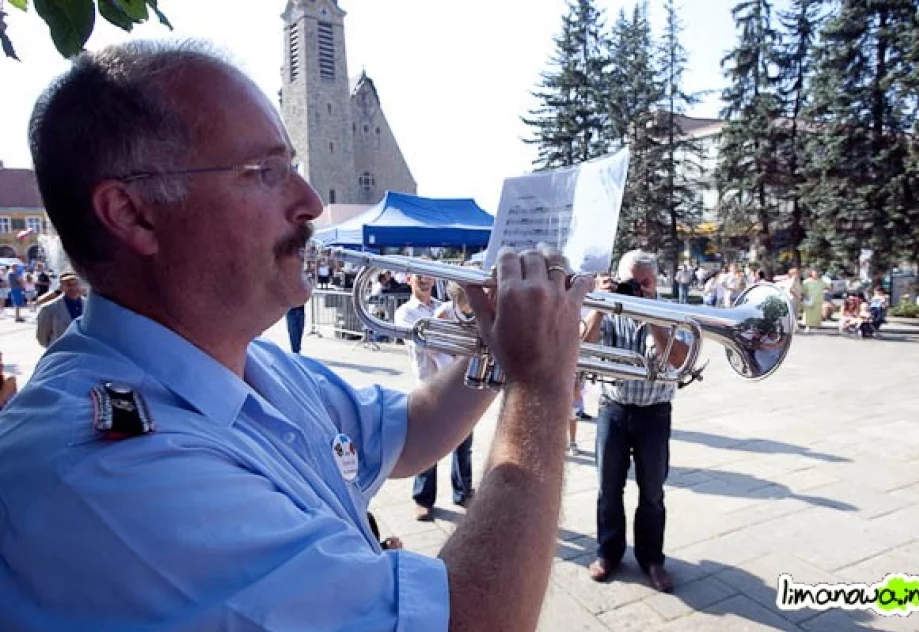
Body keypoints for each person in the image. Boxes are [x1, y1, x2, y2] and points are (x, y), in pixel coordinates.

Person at [0, 41, 593, 631]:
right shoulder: (104, 470)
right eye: (265, 172)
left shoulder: (252, 361)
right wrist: (539, 386)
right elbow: (473, 623)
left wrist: (494, 348)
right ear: (133, 214)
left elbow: (409, 434)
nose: (310, 202)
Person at [582, 250, 689, 593]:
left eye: (646, 282)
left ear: (657, 282)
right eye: (633, 281)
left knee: (653, 492)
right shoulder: (609, 304)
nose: (639, 289)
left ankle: (651, 559)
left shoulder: (671, 311)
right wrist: (599, 303)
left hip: (654, 413)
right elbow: (582, 349)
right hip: (613, 409)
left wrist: (649, 314)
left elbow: (677, 359)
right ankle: (608, 553)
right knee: (607, 489)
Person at [395, 271, 475, 520]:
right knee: (428, 446)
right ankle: (423, 498)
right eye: (419, 275)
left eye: (429, 276)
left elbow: (466, 338)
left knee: (463, 444)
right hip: (428, 386)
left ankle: (463, 492)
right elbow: (424, 344)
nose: (425, 280)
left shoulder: (446, 307)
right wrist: (440, 324)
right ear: (409, 279)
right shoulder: (405, 312)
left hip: (456, 384)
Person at [35, 271, 86, 348]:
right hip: (61, 351)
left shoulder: (89, 307)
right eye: (68, 285)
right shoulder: (49, 309)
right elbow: (42, 337)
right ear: (61, 287)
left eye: (75, 284)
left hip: (84, 351)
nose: (73, 288)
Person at [801, 269, 828, 333]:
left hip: (818, 300)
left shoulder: (821, 281)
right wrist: (803, 298)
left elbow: (828, 287)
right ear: (811, 274)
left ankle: (816, 325)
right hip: (809, 299)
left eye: (817, 273)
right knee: (808, 314)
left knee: (817, 313)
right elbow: (803, 291)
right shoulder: (806, 282)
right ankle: (807, 326)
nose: (816, 275)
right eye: (814, 273)